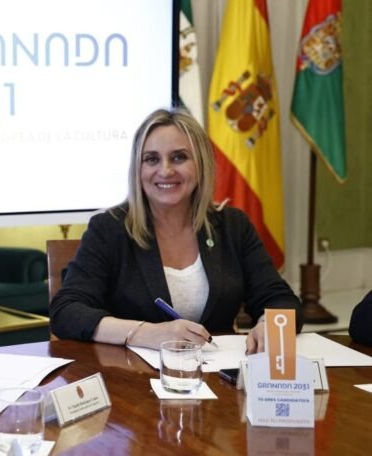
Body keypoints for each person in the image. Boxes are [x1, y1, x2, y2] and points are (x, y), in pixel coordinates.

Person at [50, 108, 302, 353]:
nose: (165, 170)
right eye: (151, 159)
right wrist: (145, 333)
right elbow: (67, 311)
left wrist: (270, 325)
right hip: (131, 374)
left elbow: (281, 300)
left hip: (217, 373)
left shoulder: (233, 226)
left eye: (179, 157)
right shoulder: (109, 229)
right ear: (138, 169)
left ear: (200, 164)